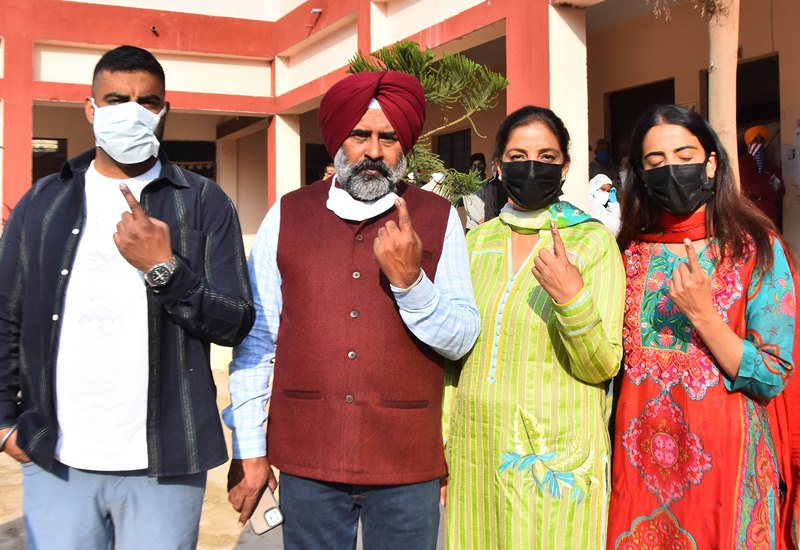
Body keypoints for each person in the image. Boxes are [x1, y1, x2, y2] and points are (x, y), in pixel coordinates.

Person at [0, 45, 255, 549]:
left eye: (148, 101)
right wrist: (5, 422)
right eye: (117, 99)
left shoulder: (204, 202)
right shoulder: (43, 203)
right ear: (91, 109)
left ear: (164, 111)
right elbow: (6, 316)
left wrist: (163, 268)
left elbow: (234, 322)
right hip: (56, 457)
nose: (132, 112)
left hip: (165, 460)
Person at [224, 70, 480, 549]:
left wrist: (411, 284)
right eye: (360, 135)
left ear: (405, 147)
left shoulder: (438, 217)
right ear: (337, 140)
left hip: (406, 460)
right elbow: (257, 338)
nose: (374, 152)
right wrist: (252, 447)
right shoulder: (287, 213)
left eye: (389, 138)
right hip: (308, 456)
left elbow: (462, 335)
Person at [607, 105, 796, 548]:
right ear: (641, 174)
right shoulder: (627, 252)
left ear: (711, 163)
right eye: (655, 163)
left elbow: (771, 375)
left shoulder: (757, 250)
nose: (671, 170)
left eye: (685, 154)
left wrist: (704, 316)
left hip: (727, 476)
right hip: (637, 476)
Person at [444, 105, 625, 549]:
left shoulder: (592, 242)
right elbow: (452, 358)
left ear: (565, 167)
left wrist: (571, 299)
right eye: (519, 155)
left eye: (547, 158)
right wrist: (442, 443)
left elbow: (603, 365)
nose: (532, 166)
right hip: (476, 449)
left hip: (553, 455)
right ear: (499, 166)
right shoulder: (475, 242)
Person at [738, 124, 785, 230]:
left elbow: (781, 190)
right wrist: (770, 187)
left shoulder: (770, 165)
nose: (759, 143)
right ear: (749, 142)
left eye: (761, 140)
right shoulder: (742, 163)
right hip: (750, 215)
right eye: (755, 140)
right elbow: (746, 189)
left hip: (769, 216)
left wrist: (762, 196)